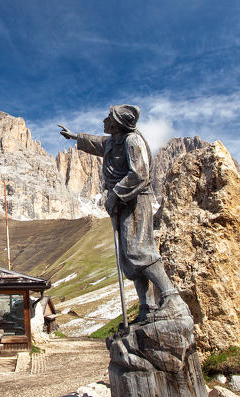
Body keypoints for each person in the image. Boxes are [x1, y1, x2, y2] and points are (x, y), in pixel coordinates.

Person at [59, 105, 189, 323]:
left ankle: (171, 298)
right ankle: (146, 306)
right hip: (123, 203)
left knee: (140, 250)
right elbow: (96, 143)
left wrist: (115, 195)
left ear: (118, 124)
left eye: (108, 117)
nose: (104, 120)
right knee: (129, 257)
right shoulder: (113, 141)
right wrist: (74, 136)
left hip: (137, 201)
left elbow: (140, 174)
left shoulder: (132, 142)